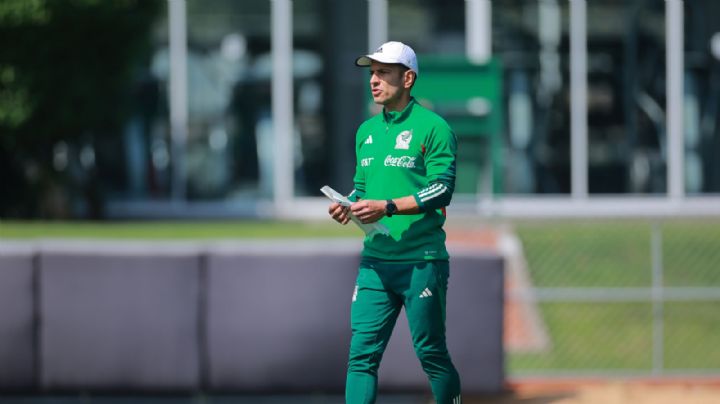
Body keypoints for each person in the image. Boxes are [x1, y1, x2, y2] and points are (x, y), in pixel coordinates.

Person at [328, 41, 462, 404]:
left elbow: (441, 190)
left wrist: (387, 206)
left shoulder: (434, 128)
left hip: (422, 260)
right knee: (360, 357)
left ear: (408, 78)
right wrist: (348, 205)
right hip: (375, 263)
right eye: (372, 73)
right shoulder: (366, 132)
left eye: (383, 72)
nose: (374, 80)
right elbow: (361, 189)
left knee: (431, 354)